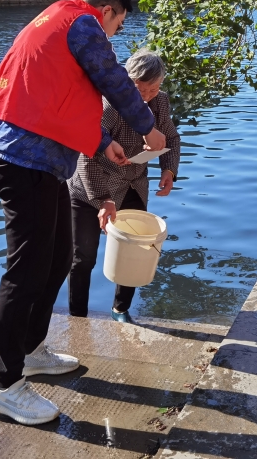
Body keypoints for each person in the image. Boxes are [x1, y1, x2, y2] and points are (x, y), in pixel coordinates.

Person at [0, 0, 167, 425]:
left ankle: (30, 349)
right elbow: (112, 79)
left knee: (61, 256)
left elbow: (59, 98)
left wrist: (103, 145)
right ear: (107, 10)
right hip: (22, 160)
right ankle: (5, 385)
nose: (115, 35)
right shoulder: (83, 23)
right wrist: (146, 127)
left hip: (39, 162)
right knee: (25, 269)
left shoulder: (58, 19)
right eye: (118, 23)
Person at [67, 49, 181, 323]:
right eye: (140, 88)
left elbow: (171, 139)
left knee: (134, 249)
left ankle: (120, 308)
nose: (146, 95)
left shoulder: (160, 103)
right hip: (89, 188)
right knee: (83, 257)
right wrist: (103, 199)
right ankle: (77, 316)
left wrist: (168, 169)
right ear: (126, 81)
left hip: (133, 185)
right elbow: (87, 151)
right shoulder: (109, 104)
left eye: (153, 89)